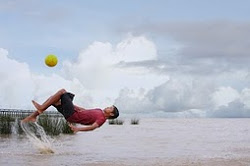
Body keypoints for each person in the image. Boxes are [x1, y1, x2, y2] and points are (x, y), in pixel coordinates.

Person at [22, 89, 119, 132]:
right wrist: (71, 105)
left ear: (111, 113)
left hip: (72, 115)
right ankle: (34, 116)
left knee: (62, 92)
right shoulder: (99, 110)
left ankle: (41, 108)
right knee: (54, 99)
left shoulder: (101, 119)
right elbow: (83, 110)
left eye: (110, 108)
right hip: (72, 113)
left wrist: (78, 129)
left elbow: (92, 127)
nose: (108, 106)